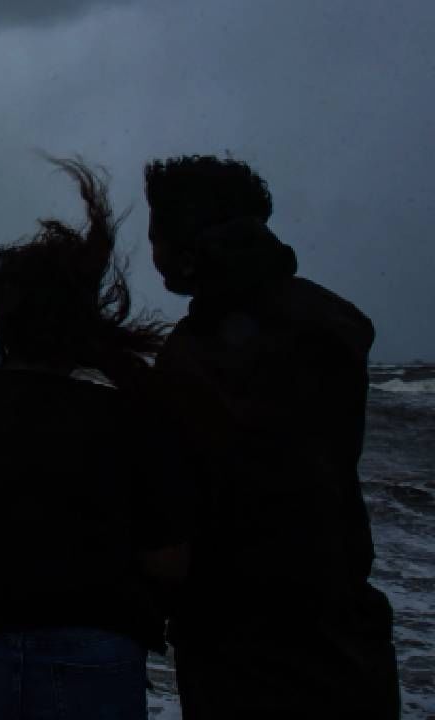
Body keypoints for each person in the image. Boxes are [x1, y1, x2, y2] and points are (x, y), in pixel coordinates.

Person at [0, 158, 188, 719]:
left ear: (0, 321)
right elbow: (167, 561)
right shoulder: (130, 418)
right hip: (98, 654)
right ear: (80, 323)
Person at [138, 155, 400, 718]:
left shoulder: (207, 348)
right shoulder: (328, 319)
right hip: (345, 637)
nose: (152, 255)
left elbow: (217, 461)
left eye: (157, 236)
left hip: (245, 652)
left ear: (186, 242)